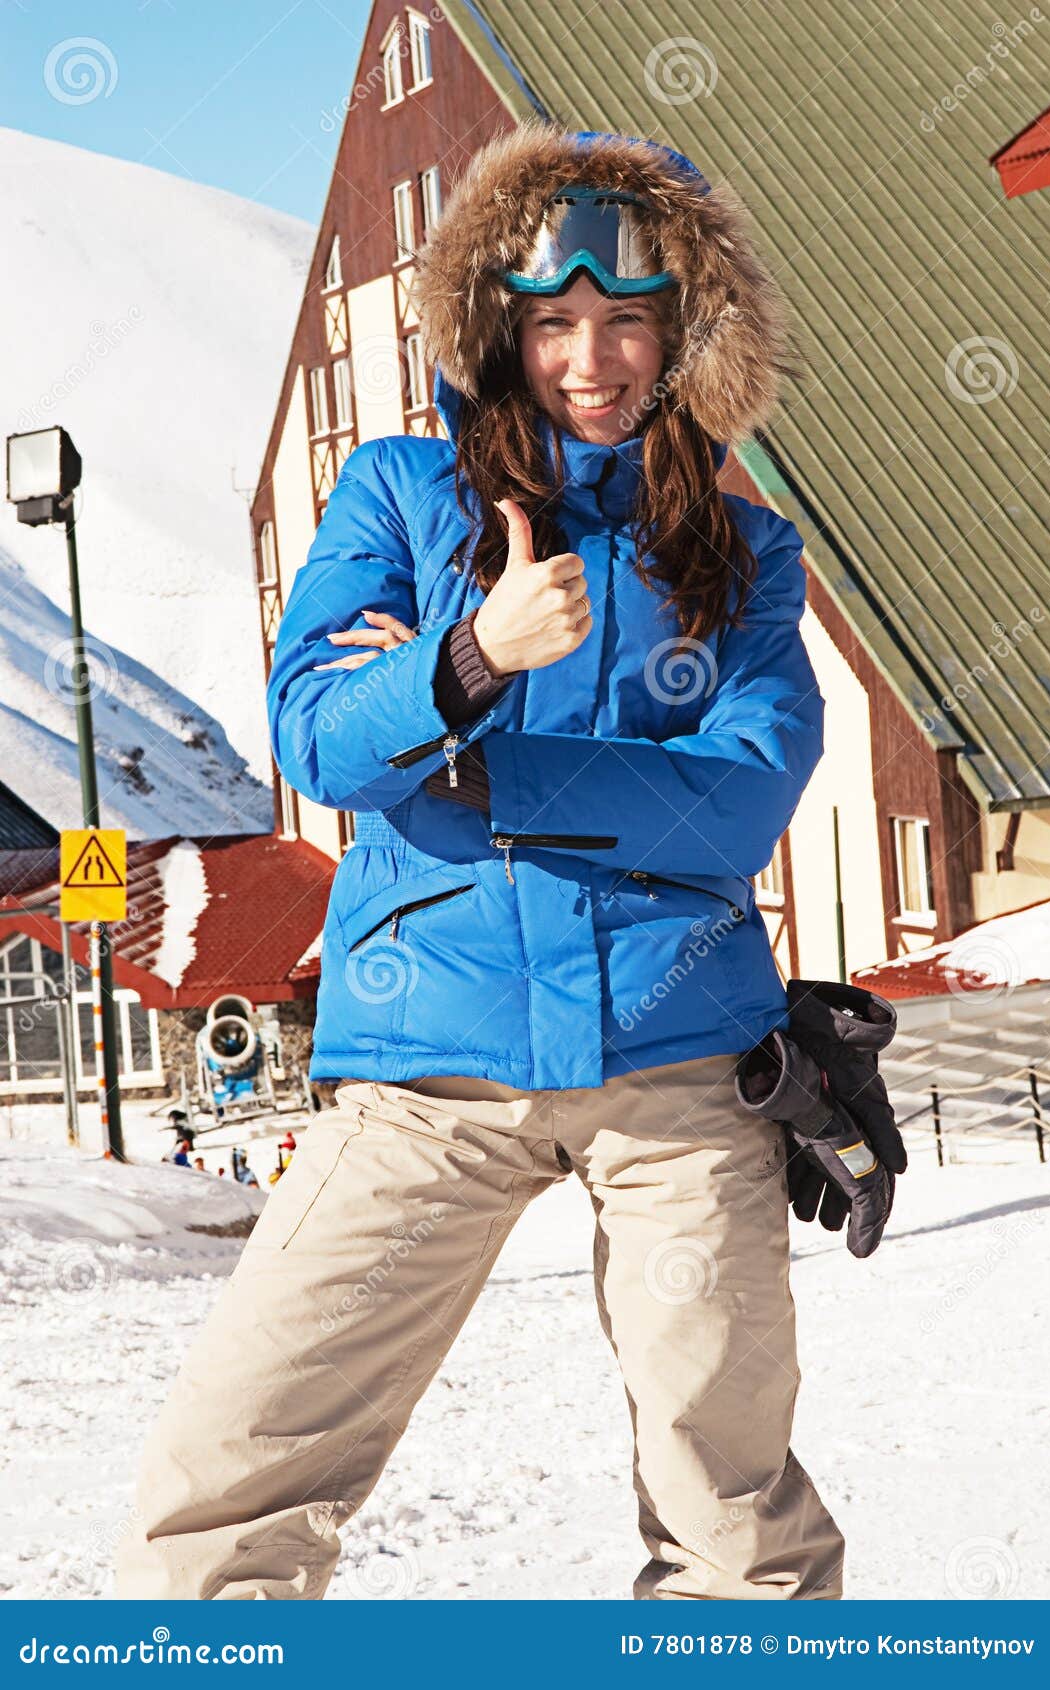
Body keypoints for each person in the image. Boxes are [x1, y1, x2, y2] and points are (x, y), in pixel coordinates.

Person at [116, 124, 842, 1602]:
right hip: (426, 1071)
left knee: (737, 1511)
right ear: (497, 333)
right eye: (556, 321)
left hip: (679, 1066)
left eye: (628, 319)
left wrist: (466, 760)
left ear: (682, 332)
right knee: (228, 1473)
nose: (593, 357)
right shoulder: (395, 499)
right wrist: (474, 652)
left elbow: (743, 803)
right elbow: (321, 740)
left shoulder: (750, 556)